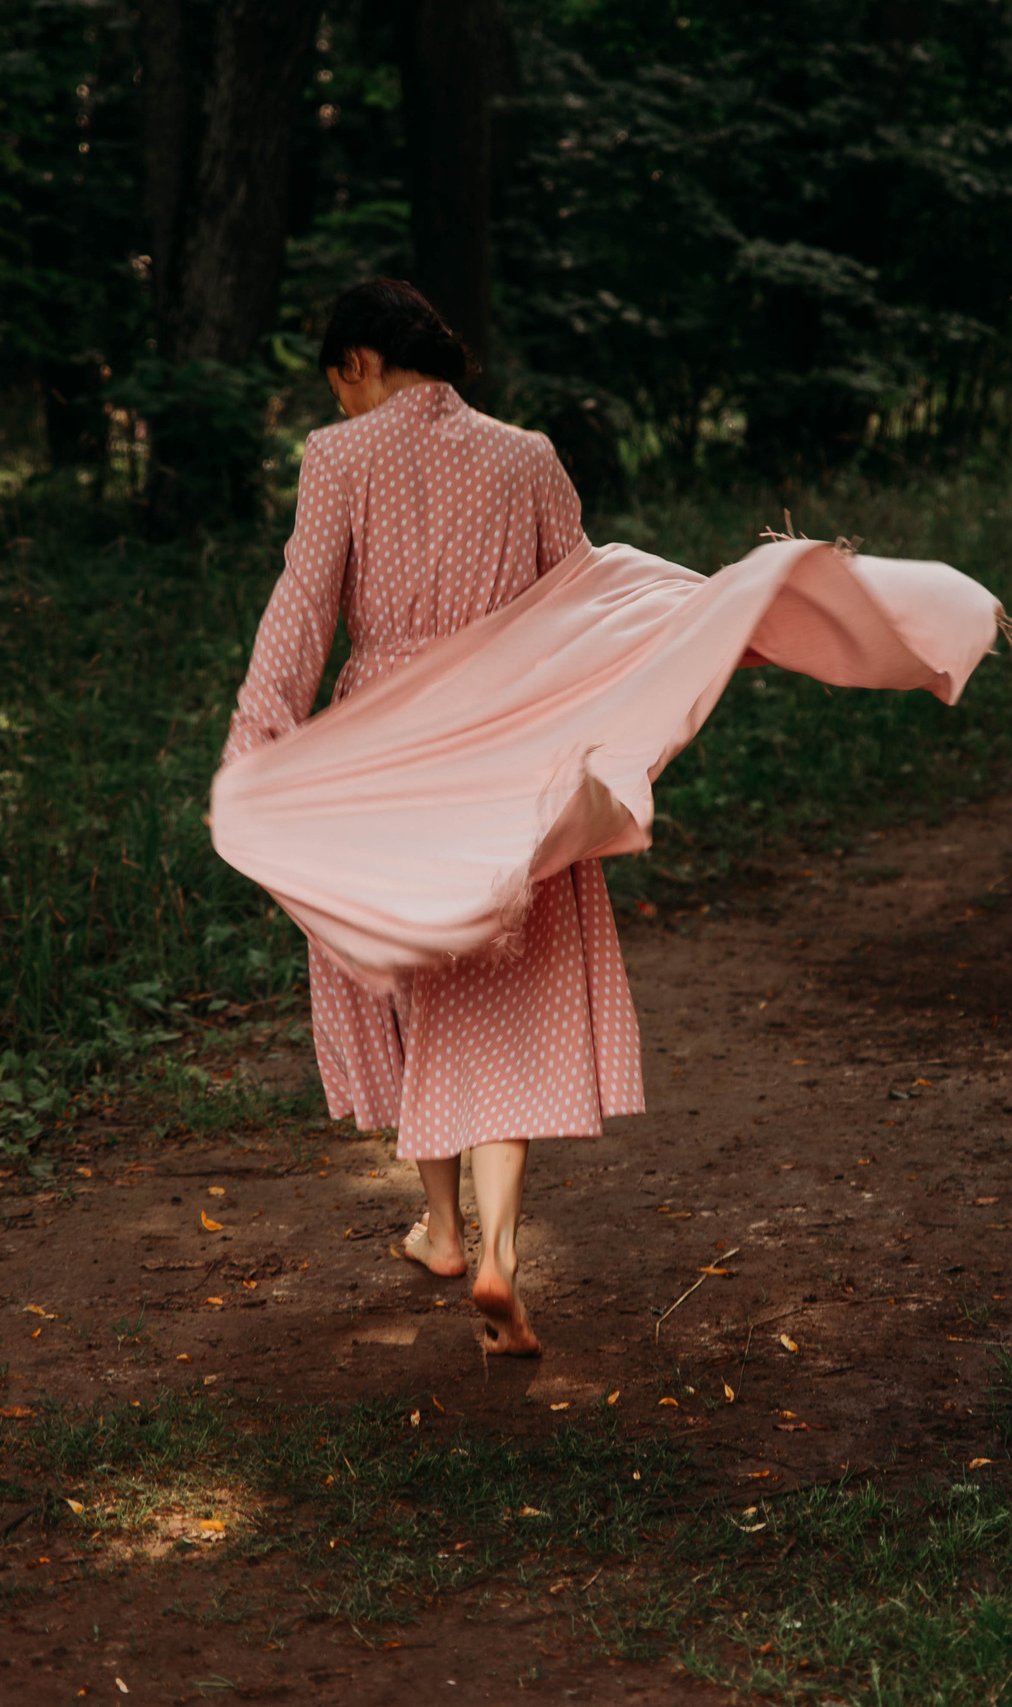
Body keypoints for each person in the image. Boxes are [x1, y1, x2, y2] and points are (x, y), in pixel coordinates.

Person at [222, 279, 642, 1356]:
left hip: (390, 755)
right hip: (508, 754)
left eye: (341, 387)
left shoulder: (340, 457)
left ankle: (443, 1230)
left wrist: (260, 742)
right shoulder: (529, 454)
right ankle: (493, 1251)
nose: (346, 406)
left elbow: (302, 604)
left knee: (417, 981)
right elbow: (581, 607)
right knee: (502, 998)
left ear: (357, 362)